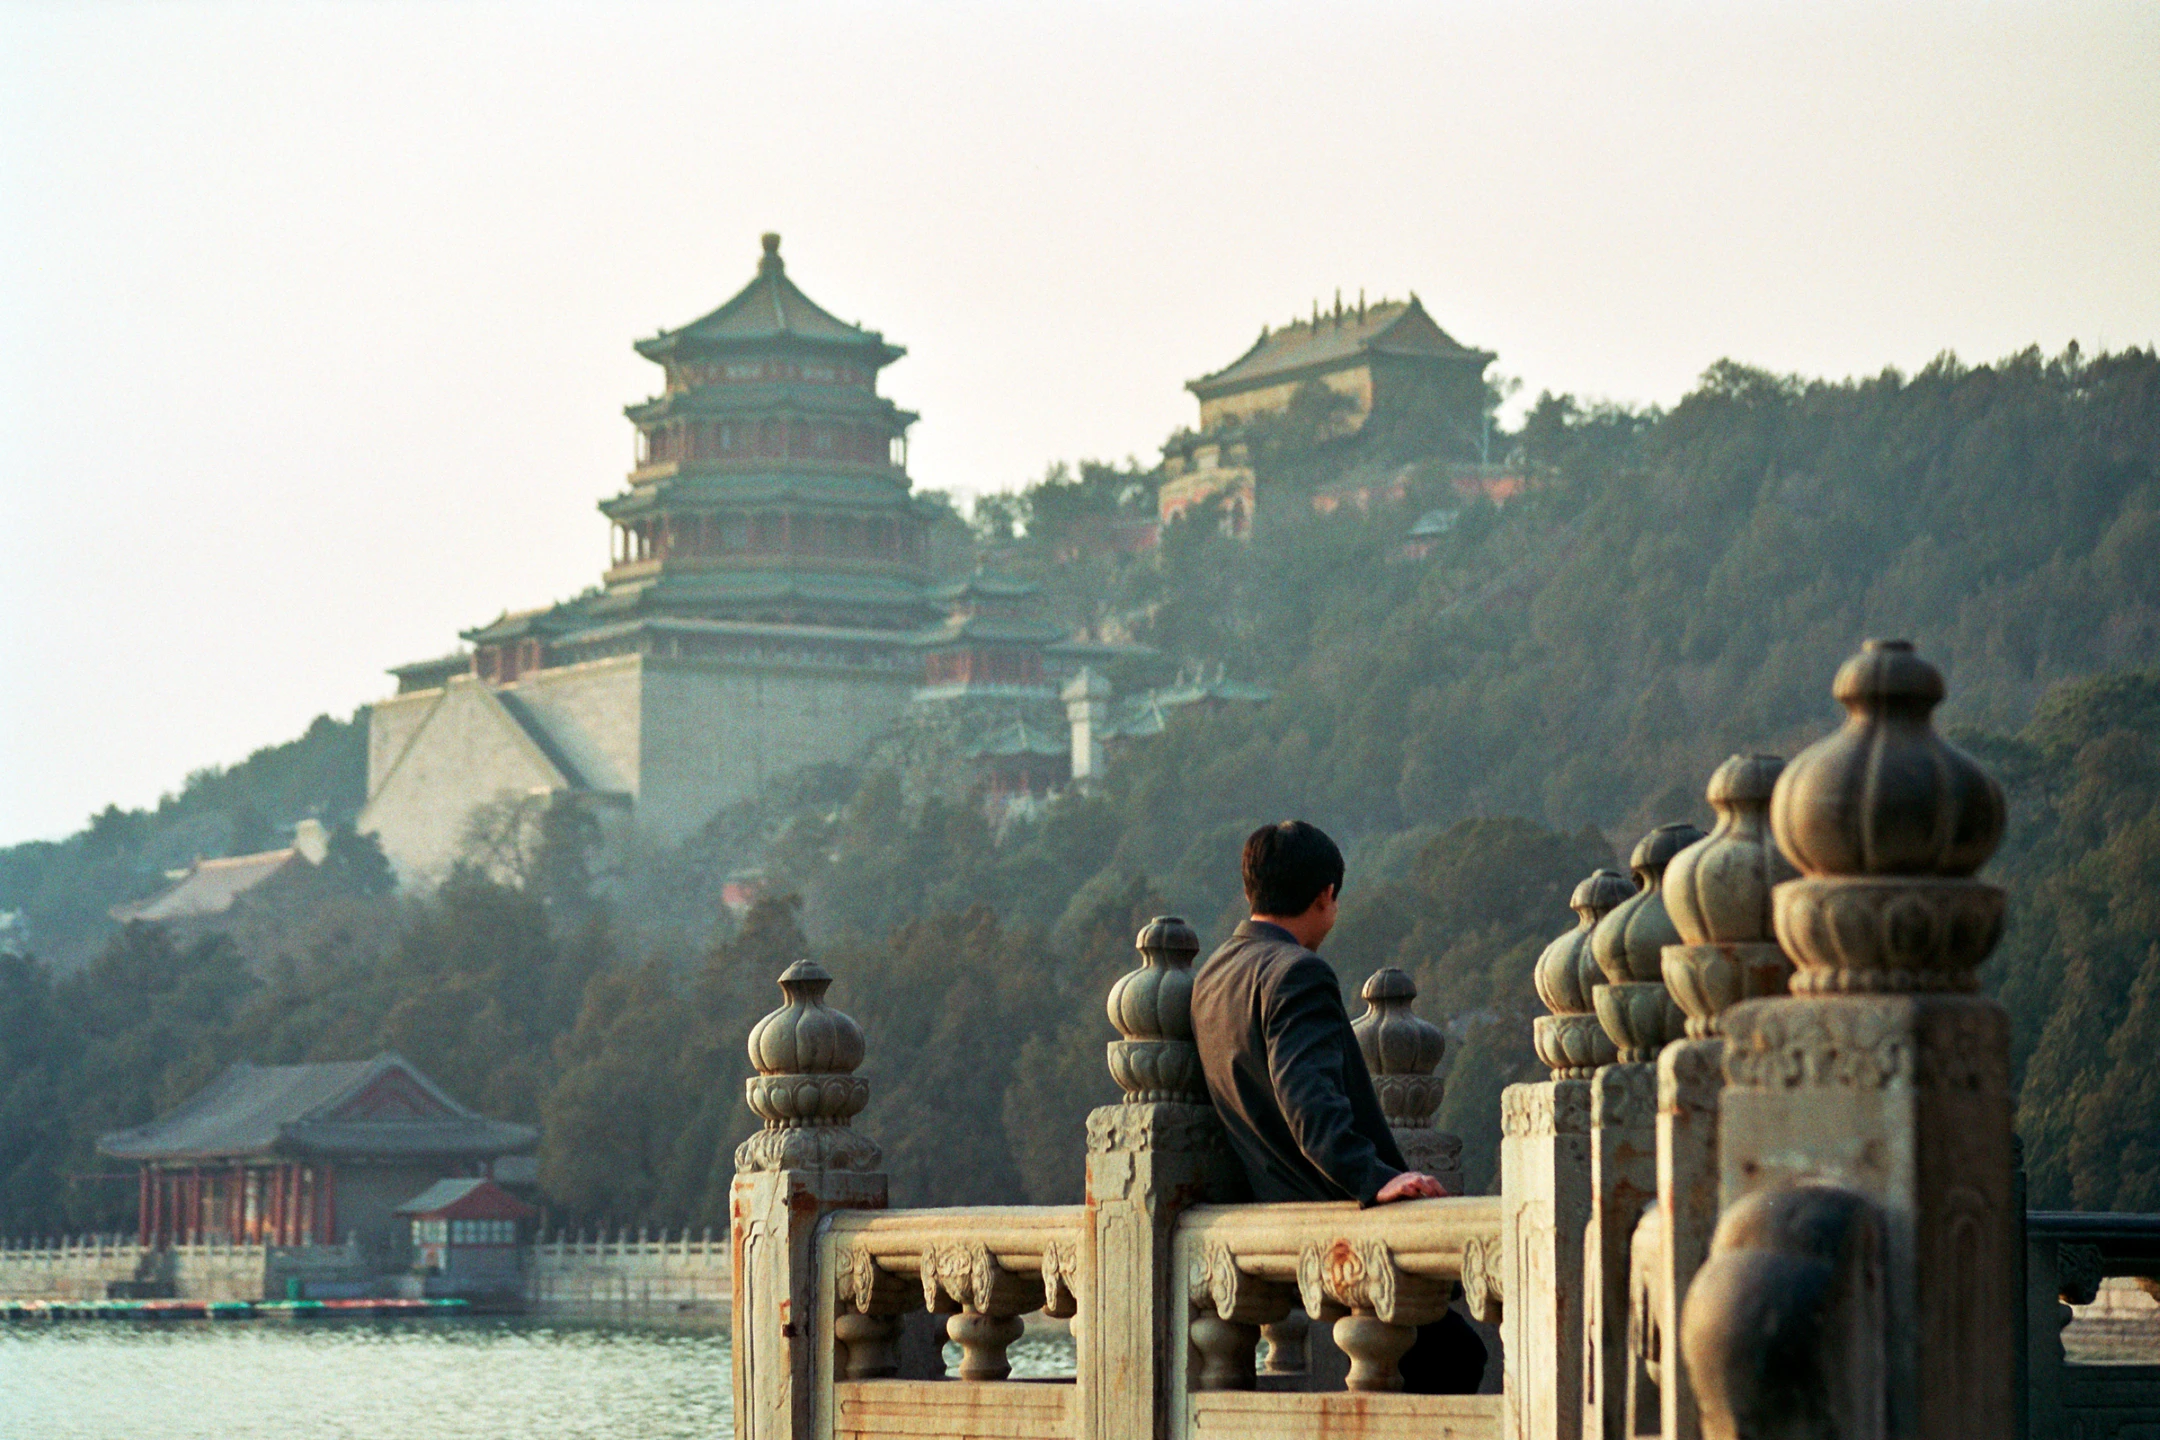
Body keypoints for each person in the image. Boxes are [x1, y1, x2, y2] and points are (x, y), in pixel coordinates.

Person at [1190, 819, 1488, 1394]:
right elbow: (1309, 1102)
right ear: (1326, 895)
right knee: (1453, 1354)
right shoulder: (1296, 972)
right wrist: (1373, 1178)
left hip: (1258, 1221)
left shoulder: (1212, 977)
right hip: (1327, 1221)